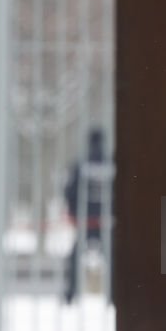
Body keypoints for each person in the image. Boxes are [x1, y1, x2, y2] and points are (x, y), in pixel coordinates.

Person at [63, 127, 114, 305]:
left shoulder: (81, 164)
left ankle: (71, 293)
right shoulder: (111, 163)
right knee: (113, 260)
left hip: (85, 221)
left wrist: (72, 212)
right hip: (107, 222)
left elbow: (69, 190)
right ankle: (114, 294)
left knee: (74, 259)